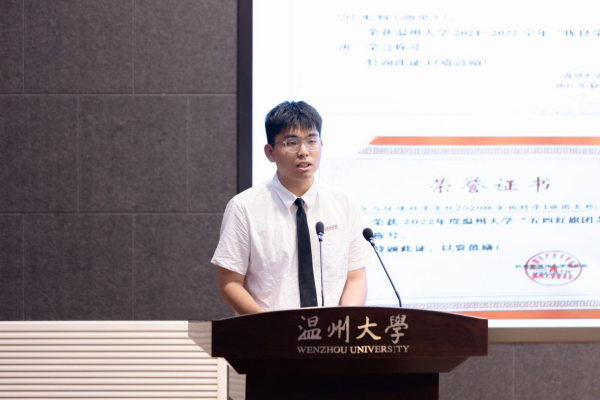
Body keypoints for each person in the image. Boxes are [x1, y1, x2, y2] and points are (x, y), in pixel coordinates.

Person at [212, 101, 372, 314]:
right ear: (270, 152)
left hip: (333, 331)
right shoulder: (244, 207)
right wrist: (271, 327)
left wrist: (344, 319)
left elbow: (356, 279)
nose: (304, 152)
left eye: (312, 141)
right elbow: (230, 284)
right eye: (291, 142)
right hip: (268, 331)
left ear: (321, 145)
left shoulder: (345, 204)